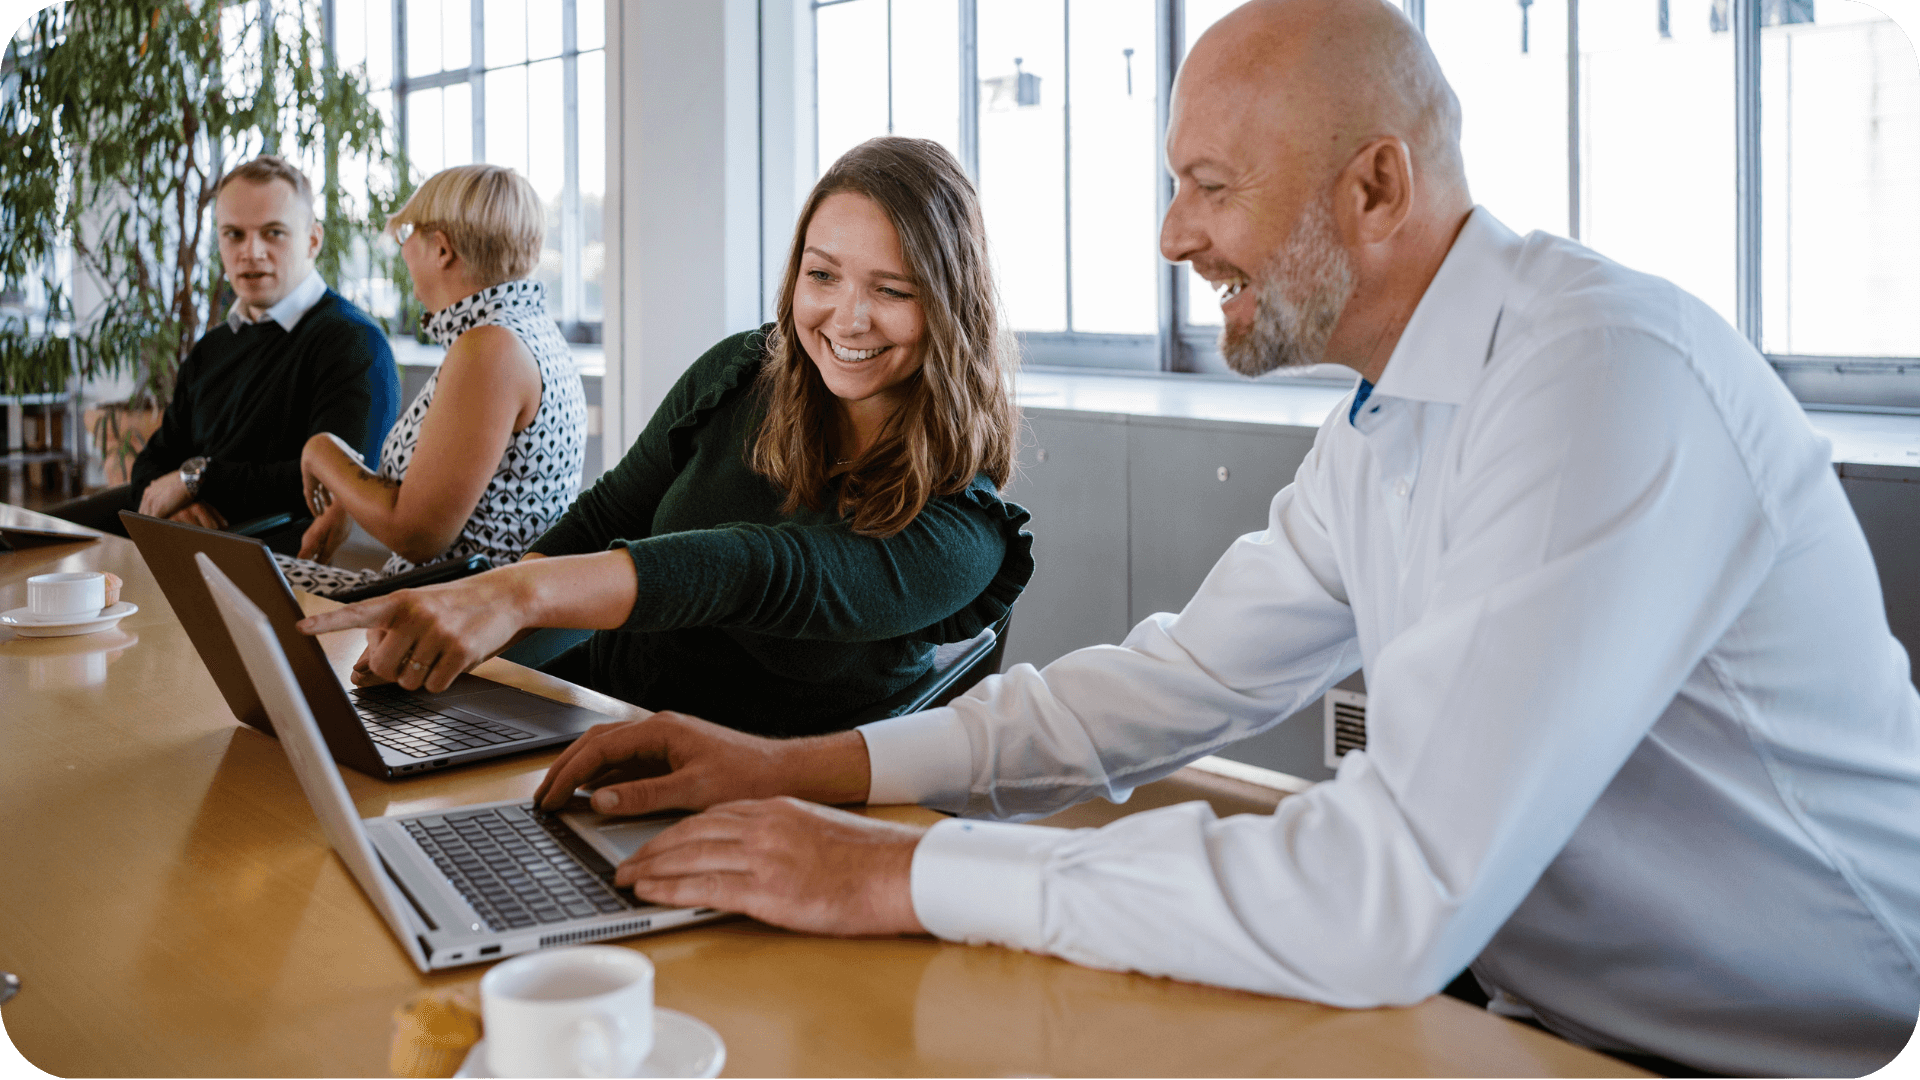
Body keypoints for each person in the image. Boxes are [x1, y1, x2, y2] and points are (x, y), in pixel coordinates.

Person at [470, 3, 1915, 1077]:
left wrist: (894, 874)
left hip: (1793, 1052)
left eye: (1213, 186)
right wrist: (811, 771)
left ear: (1376, 187)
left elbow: (1386, 891)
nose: (1173, 234)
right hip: (1547, 1021)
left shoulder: (1601, 377)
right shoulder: (1386, 420)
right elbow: (1161, 690)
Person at [299, 137, 1033, 737]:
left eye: (892, 290)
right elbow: (606, 517)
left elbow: (757, 571)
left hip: (753, 795)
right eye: (823, 276)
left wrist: (514, 594)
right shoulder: (741, 374)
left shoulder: (966, 533)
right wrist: (469, 631)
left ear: (948, 306)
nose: (847, 317)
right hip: (597, 717)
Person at [275, 164, 587, 597]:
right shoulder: (523, 330)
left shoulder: (490, 349)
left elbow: (416, 536)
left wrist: (320, 451)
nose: (403, 254)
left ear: (441, 249)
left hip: (450, 611)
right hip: (449, 598)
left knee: (229, 578)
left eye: (407, 238)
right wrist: (349, 497)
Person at [49, 155, 399, 539]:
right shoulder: (212, 347)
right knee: (25, 539)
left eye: (273, 233)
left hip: (260, 545)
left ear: (313, 240)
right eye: (234, 234)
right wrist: (176, 501)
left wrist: (199, 480)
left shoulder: (354, 344)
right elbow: (155, 457)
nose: (251, 252)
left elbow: (336, 483)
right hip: (179, 530)